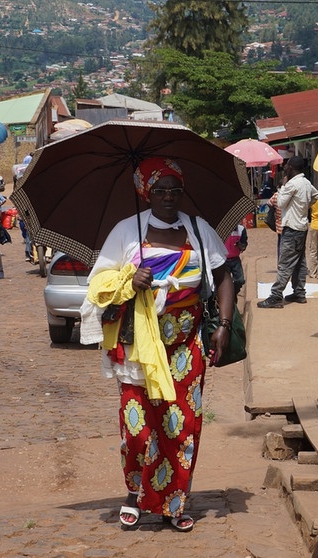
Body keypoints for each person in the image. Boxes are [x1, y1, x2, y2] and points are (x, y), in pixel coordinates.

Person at [80, 157, 235, 533]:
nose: (168, 197)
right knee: (138, 427)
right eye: (159, 190)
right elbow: (98, 283)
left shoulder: (199, 230)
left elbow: (223, 274)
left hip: (186, 344)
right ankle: (135, 492)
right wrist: (130, 280)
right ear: (144, 192)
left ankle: (173, 502)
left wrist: (225, 325)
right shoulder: (126, 232)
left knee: (180, 423)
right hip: (138, 347)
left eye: (175, 190)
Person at [257, 156, 317, 308]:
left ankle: (276, 296)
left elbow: (281, 203)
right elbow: (316, 196)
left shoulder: (291, 184)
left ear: (291, 167)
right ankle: (299, 293)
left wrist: (283, 186)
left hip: (291, 228)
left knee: (285, 264)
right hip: (302, 227)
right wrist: (302, 207)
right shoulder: (306, 183)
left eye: (286, 166)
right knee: (299, 263)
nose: (284, 168)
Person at [224, 222, 247, 294]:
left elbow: (244, 244)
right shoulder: (221, 229)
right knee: (224, 282)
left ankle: (234, 293)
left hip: (235, 260)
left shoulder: (241, 229)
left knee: (240, 280)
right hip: (223, 260)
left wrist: (240, 245)